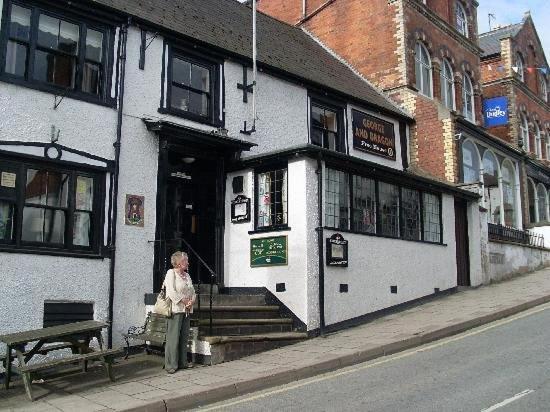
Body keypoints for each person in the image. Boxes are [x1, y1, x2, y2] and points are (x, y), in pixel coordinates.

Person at [163, 251, 196, 373]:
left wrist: (192, 301)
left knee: (184, 337)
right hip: (176, 310)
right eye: (185, 261)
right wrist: (183, 300)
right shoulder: (171, 273)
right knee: (173, 338)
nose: (187, 263)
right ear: (177, 263)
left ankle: (183, 363)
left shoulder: (187, 276)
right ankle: (171, 365)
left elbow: (193, 291)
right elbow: (171, 292)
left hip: (186, 310)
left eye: (187, 260)